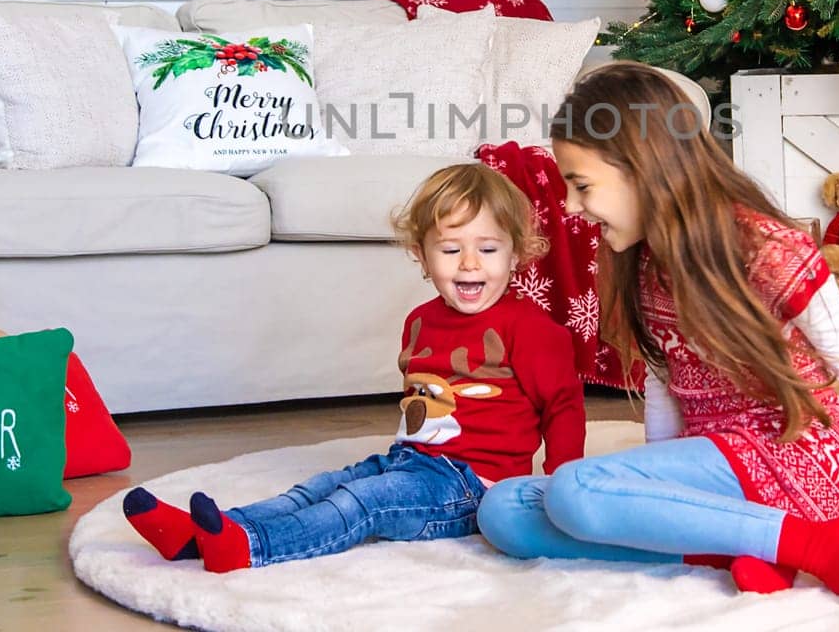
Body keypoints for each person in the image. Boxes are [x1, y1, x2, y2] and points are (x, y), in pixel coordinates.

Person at [476, 62, 839, 606]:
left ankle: (818, 544)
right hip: (714, 468)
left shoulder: (769, 250)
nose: (572, 207)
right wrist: (651, 494)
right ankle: (746, 546)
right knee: (504, 510)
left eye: (581, 186)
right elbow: (662, 383)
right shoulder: (640, 262)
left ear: (642, 168)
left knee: (576, 491)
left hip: (793, 461)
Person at [122, 163, 586, 572]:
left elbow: (563, 406)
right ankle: (201, 532)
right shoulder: (420, 321)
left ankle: (250, 547)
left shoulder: (530, 330)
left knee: (362, 502)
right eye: (450, 250)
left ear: (516, 254)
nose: (469, 263)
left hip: (471, 488)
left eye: (488, 249)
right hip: (411, 461)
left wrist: (557, 491)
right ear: (421, 255)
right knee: (322, 487)